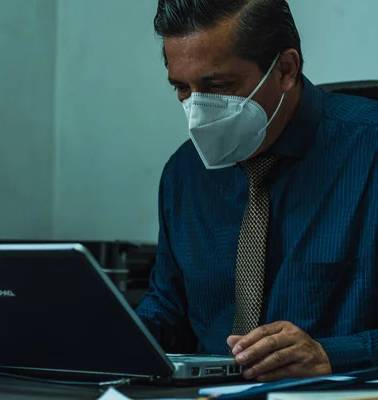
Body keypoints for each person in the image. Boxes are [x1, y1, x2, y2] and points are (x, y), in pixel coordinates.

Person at [136, 0, 378, 383]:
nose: (197, 109)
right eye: (182, 88)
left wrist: (332, 354)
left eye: (218, 86)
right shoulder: (184, 173)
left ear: (285, 69)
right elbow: (167, 310)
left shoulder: (370, 151)